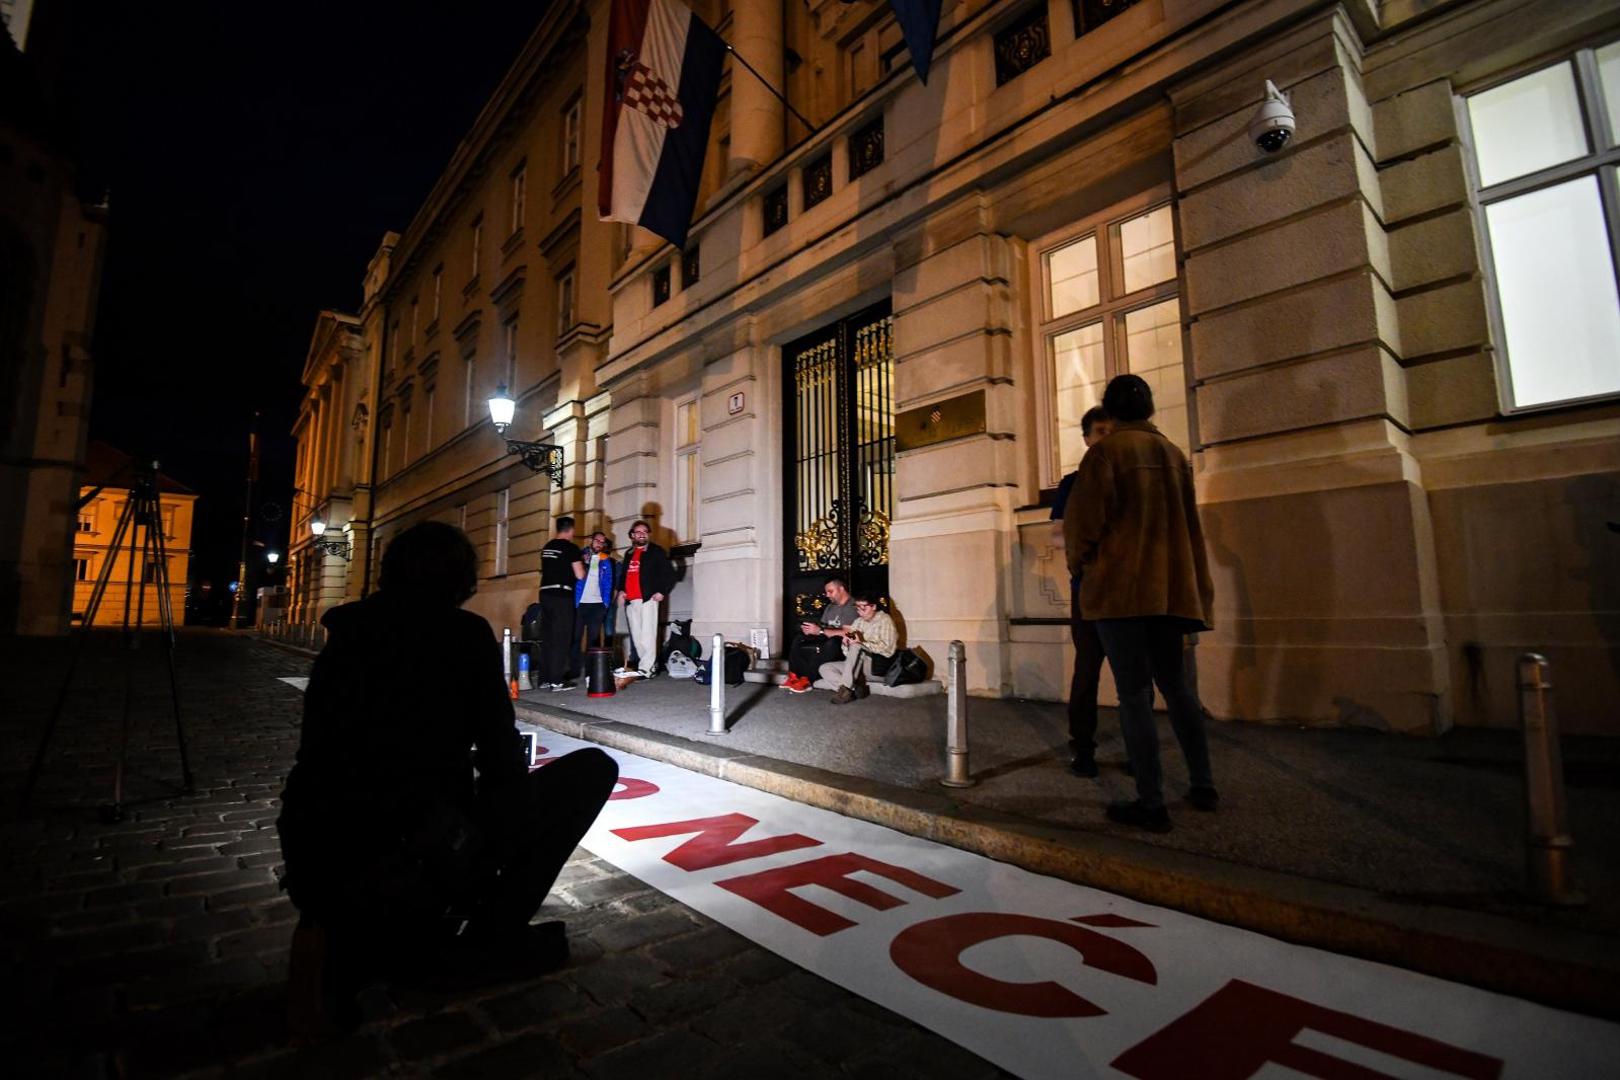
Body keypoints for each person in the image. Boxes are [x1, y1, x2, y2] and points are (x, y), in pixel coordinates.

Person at [278, 522, 618, 1036]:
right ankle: (487, 933)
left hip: (317, 850)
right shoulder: (460, 635)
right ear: (460, 580)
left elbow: (317, 755)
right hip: (417, 844)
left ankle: (347, 932)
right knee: (591, 770)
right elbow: (502, 759)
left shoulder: (345, 634)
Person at [1065, 374, 1217, 833]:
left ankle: (1151, 802)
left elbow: (1083, 526)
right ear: (1149, 408)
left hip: (1120, 592)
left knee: (1134, 695)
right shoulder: (1173, 453)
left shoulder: (1106, 454)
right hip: (1169, 588)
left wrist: (1082, 568)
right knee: (1179, 689)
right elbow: (1189, 524)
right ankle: (1203, 784)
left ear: (1110, 412)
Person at [1051, 406, 1114, 777]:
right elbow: (1057, 534)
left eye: (1112, 430)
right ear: (1087, 438)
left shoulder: (1126, 477)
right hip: (1087, 586)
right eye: (1100, 431)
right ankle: (1083, 746)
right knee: (1087, 669)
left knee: (1131, 677)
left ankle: (1140, 753)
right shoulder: (1072, 483)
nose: (1106, 437)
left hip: (1126, 589)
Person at [614, 520, 675, 679]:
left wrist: (662, 591)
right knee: (637, 636)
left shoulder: (656, 551)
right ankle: (648, 664)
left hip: (648, 599)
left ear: (647, 535)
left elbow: (669, 574)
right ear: (632, 535)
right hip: (631, 600)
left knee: (648, 635)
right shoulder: (628, 553)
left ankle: (646, 669)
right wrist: (621, 591)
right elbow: (624, 576)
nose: (641, 534)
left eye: (644, 532)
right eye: (638, 532)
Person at [782, 577, 858, 694]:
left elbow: (850, 634)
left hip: (843, 645)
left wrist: (820, 631)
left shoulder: (852, 607)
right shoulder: (830, 607)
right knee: (799, 639)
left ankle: (807, 680)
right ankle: (794, 677)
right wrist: (811, 630)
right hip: (826, 639)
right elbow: (823, 626)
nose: (827, 595)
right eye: (826, 592)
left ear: (841, 589)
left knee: (833, 642)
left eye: (830, 591)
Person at [819, 592, 898, 704]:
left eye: (863, 608)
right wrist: (846, 644)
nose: (860, 611)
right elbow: (849, 653)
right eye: (857, 608)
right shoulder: (858, 622)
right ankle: (854, 689)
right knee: (825, 668)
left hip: (877, 666)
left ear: (874, 607)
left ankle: (846, 690)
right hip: (858, 667)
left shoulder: (885, 620)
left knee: (856, 646)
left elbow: (888, 650)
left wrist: (861, 643)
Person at [538, 516, 587, 691]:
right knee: (562, 637)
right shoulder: (571, 548)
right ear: (571, 530)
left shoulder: (547, 547)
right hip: (562, 595)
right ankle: (557, 680)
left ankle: (544, 678)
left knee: (548, 637)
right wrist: (585, 565)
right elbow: (580, 575)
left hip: (545, 593)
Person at [571, 531, 616, 678]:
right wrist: (584, 562)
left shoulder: (606, 561)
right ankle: (573, 670)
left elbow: (608, 583)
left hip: (597, 606)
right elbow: (573, 576)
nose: (599, 544)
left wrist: (605, 604)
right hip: (580, 604)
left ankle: (591, 672)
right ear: (592, 541)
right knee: (576, 638)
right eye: (597, 541)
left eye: (602, 542)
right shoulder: (580, 555)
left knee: (593, 640)